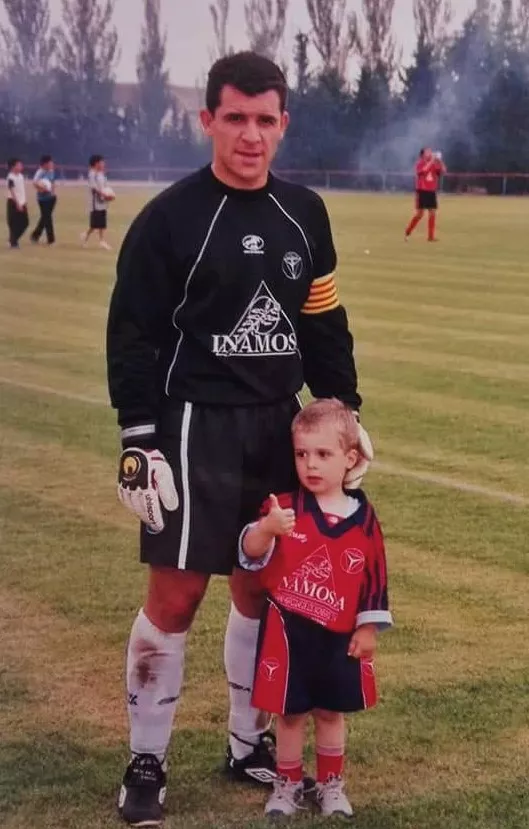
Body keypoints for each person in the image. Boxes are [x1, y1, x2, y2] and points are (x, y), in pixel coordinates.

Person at [106, 51, 373, 827]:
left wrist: (345, 412)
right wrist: (139, 439)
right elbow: (133, 336)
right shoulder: (170, 219)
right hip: (191, 425)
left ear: (282, 124)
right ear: (208, 121)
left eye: (265, 120)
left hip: (277, 427)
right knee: (177, 595)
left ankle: (245, 742)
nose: (250, 135)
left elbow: (322, 322)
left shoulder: (303, 214)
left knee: (264, 591)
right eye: (235, 118)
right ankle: (145, 763)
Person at [240, 399, 392, 819]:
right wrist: (266, 530)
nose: (311, 464)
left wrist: (368, 628)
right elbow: (250, 553)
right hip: (287, 634)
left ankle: (330, 785)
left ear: (350, 458)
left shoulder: (362, 517)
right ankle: (287, 784)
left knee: (329, 712)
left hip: (338, 635)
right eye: (302, 454)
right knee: (289, 716)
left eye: (323, 454)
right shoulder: (283, 508)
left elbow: (374, 575)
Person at [405, 147, 447, 242]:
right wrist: (432, 161)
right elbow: (422, 171)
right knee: (420, 214)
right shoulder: (420, 163)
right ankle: (408, 231)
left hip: (431, 191)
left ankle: (431, 236)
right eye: (428, 152)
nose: (430, 153)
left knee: (432, 212)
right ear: (422, 154)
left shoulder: (434, 163)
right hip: (422, 190)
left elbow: (443, 171)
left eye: (431, 152)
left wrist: (440, 161)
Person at [81, 154, 113, 250]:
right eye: (102, 162)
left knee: (101, 223)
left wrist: (109, 195)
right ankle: (86, 237)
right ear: (96, 163)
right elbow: (93, 188)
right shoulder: (92, 174)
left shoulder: (101, 174)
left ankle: (101, 241)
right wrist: (103, 194)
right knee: (95, 224)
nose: (103, 164)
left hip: (103, 202)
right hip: (95, 203)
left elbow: (105, 187)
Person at [30, 154, 57, 245]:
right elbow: (34, 183)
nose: (52, 164)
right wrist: (42, 189)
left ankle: (35, 235)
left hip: (51, 198)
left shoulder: (51, 171)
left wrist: (53, 192)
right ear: (45, 164)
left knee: (45, 217)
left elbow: (52, 182)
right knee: (48, 218)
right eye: (50, 162)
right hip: (43, 199)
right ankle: (51, 240)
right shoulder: (40, 172)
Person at [6, 157, 29, 249]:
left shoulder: (21, 176)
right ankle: (13, 243)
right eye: (19, 165)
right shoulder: (10, 177)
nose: (21, 166)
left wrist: (23, 202)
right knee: (13, 223)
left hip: (22, 202)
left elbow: (21, 190)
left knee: (25, 223)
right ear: (13, 167)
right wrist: (17, 203)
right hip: (13, 202)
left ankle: (12, 240)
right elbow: (12, 191)